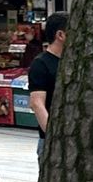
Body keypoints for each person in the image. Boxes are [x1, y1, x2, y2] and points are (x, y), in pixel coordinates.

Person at [28, 12, 67, 158]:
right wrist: (53, 134)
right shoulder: (41, 64)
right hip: (52, 140)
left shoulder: (73, 62)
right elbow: (37, 103)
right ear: (60, 35)